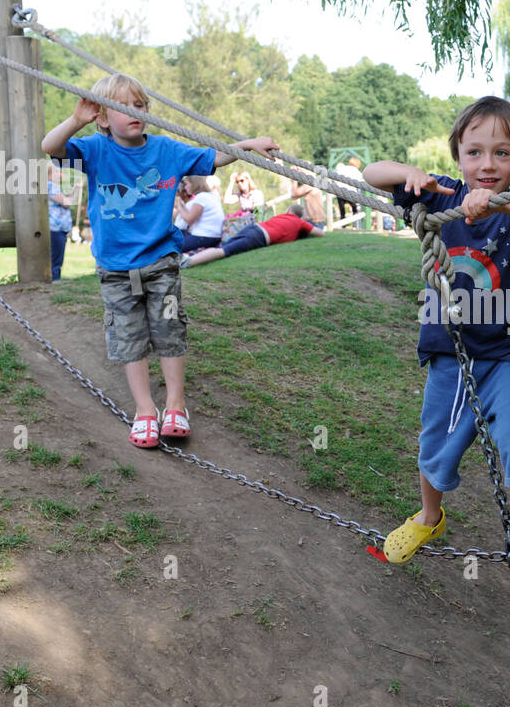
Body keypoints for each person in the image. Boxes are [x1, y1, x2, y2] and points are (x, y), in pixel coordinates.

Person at [362, 95, 510, 582]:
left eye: (503, 153)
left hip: (505, 358)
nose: (488, 164)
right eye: (475, 152)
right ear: (458, 154)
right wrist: (410, 173)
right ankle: (428, 517)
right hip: (450, 356)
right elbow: (372, 174)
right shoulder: (440, 198)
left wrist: (508, 204)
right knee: (434, 445)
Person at [42, 73, 276, 449]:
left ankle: (176, 406)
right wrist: (75, 121)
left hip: (161, 261)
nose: (136, 112)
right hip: (115, 267)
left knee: (168, 331)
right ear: (103, 117)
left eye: (141, 105)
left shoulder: (166, 151)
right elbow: (49, 147)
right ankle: (145, 411)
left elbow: (213, 156)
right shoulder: (96, 151)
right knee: (129, 338)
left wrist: (247, 145)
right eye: (125, 107)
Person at [182, 203, 325, 267]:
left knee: (224, 246)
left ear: (288, 210)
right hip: (259, 236)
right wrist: (306, 226)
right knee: (225, 251)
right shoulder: (299, 222)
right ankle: (187, 263)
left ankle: (190, 258)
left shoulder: (282, 216)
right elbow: (320, 233)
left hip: (253, 227)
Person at [173, 174, 226, 252]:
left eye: (187, 184)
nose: (185, 187)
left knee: (170, 247)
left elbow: (189, 219)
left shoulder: (201, 197)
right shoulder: (212, 195)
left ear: (194, 183)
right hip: (214, 236)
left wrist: (179, 206)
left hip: (203, 237)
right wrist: (180, 203)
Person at [47, 163, 74, 280]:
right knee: (56, 259)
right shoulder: (51, 186)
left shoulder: (51, 186)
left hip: (57, 229)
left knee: (55, 258)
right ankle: (55, 281)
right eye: (57, 172)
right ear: (49, 175)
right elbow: (67, 203)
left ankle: (54, 279)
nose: (61, 175)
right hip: (56, 229)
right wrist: (76, 190)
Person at [334, 156, 365, 228]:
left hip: (339, 191)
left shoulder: (342, 168)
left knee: (342, 211)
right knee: (355, 209)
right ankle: (355, 226)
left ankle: (343, 226)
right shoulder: (355, 170)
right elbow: (360, 181)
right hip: (350, 192)